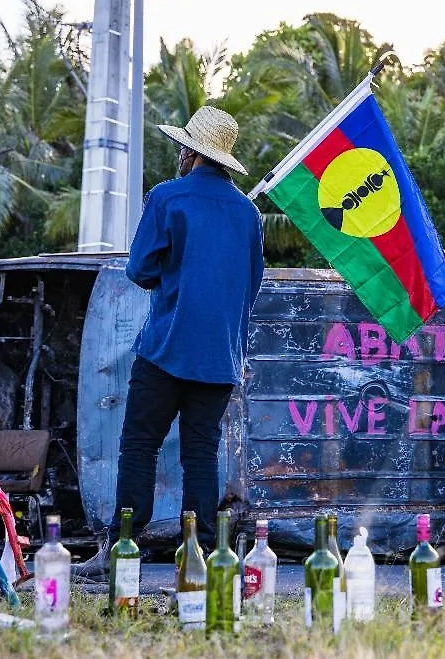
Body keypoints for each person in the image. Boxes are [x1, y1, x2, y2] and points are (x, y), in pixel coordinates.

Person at [73, 106, 265, 580]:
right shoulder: (248, 212)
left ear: (190, 152)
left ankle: (122, 549)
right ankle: (201, 556)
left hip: (164, 349)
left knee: (139, 445)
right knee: (200, 453)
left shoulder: (166, 197)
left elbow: (139, 270)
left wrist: (176, 277)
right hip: (221, 357)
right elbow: (252, 284)